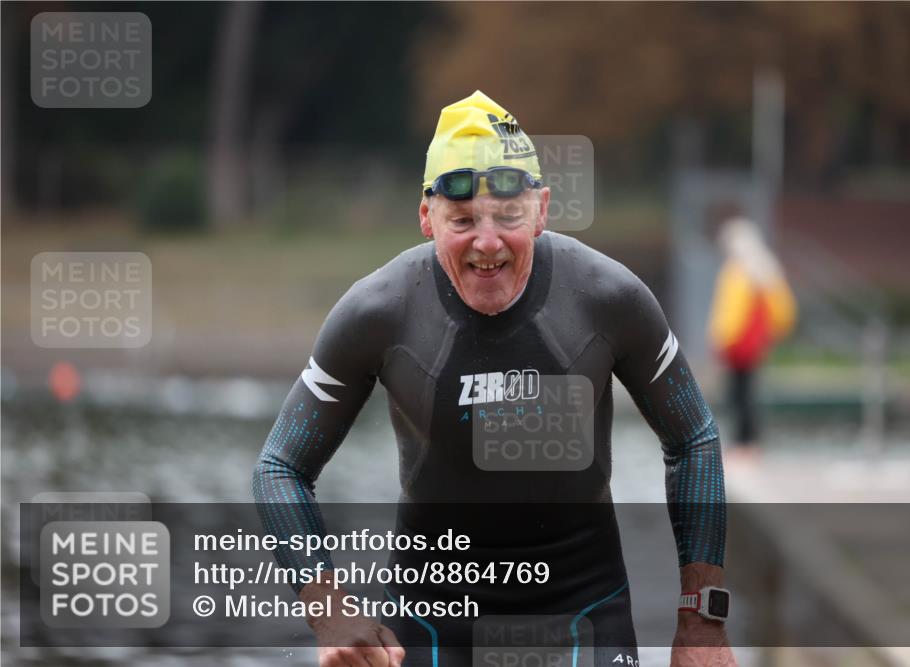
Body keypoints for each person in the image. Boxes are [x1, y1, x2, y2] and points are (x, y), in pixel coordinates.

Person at [254, 91, 735, 667]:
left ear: (541, 210)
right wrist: (328, 608)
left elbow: (693, 440)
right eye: (462, 220)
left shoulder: (610, 297)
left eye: (508, 217)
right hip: (431, 623)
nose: (487, 243)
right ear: (426, 216)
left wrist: (701, 622)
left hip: (582, 614)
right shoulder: (376, 312)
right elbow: (279, 468)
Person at [708, 217, 796, 455]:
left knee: (738, 394)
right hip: (755, 345)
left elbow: (730, 313)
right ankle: (749, 444)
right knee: (747, 392)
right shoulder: (766, 270)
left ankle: (743, 444)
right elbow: (783, 310)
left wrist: (720, 340)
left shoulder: (737, 273)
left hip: (737, 345)